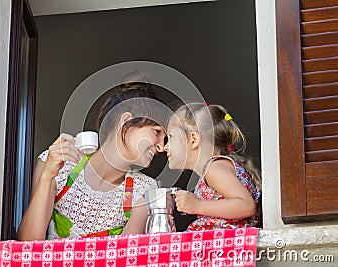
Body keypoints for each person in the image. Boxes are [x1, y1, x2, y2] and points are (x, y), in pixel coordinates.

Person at [18, 81, 170, 241]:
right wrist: (47, 176)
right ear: (125, 121)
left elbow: (124, 258)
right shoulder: (61, 164)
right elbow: (28, 243)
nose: (161, 146)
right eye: (156, 132)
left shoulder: (144, 190)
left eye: (165, 138)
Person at [164, 103, 261, 230]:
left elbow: (246, 206)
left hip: (228, 247)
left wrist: (198, 205)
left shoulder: (214, 168)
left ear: (193, 140)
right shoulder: (214, 168)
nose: (165, 147)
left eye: (170, 137)